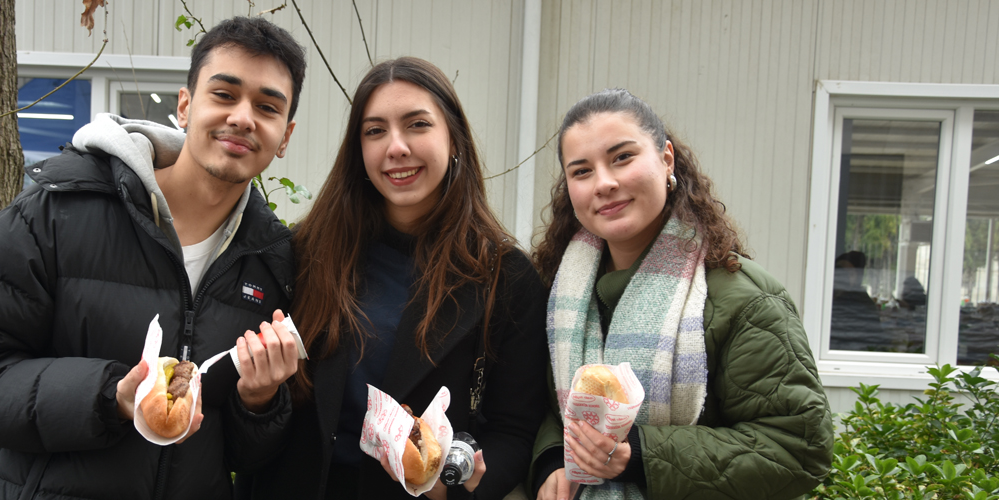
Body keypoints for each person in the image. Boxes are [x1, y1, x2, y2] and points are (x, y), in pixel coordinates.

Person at [0, 16, 306, 500]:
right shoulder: (58, 212)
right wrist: (110, 397)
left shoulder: (272, 263)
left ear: (285, 135)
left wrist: (259, 402)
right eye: (225, 94)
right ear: (186, 106)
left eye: (267, 106)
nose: (243, 117)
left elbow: (242, 459)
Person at [235, 57, 549, 500]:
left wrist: (449, 488)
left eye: (417, 125)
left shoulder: (505, 276)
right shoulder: (304, 252)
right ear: (358, 151)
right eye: (375, 130)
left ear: (454, 138)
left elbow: (514, 433)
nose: (396, 147)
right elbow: (261, 416)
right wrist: (257, 397)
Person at [528, 89, 833, 500]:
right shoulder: (561, 295)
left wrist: (638, 454)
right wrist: (551, 458)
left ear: (666, 159)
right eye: (581, 171)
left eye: (622, 157)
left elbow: (798, 449)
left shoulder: (744, 300)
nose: (604, 183)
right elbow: (547, 407)